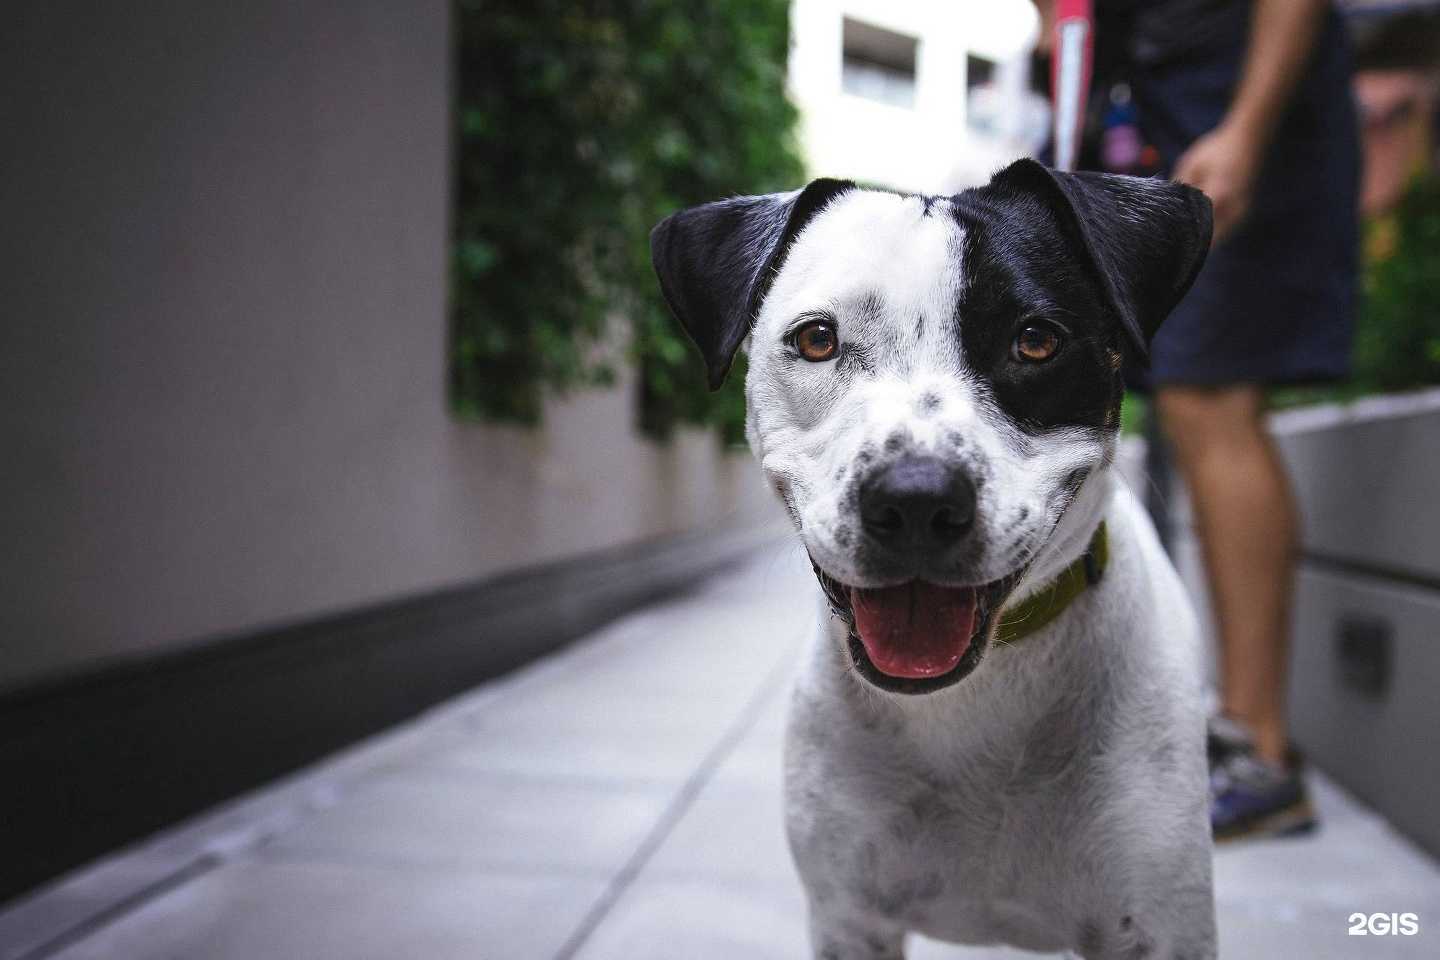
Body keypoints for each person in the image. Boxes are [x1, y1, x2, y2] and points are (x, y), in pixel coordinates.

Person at [1038, 0, 1360, 840]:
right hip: (1137, 93)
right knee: (1105, 381)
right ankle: (1175, 727)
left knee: (1208, 395)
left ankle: (1261, 753)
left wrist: (1248, 128)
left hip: (1238, 97)